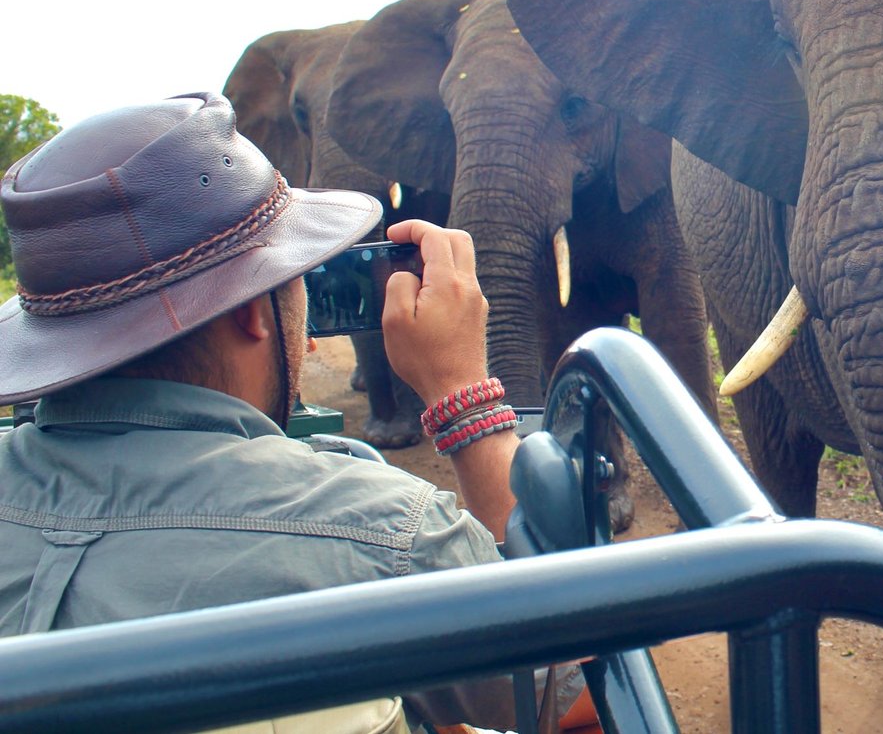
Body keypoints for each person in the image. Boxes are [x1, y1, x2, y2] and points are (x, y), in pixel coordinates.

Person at [0, 92, 546, 733]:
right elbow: (565, 687)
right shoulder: (386, 538)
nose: (308, 335)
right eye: (296, 284)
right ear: (249, 311)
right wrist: (464, 396)